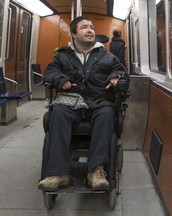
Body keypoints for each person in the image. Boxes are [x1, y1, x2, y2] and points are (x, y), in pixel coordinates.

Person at [38, 16, 129, 191]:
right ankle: (58, 174)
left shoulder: (107, 56)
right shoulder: (63, 55)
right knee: (58, 112)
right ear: (74, 34)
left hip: (99, 101)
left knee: (106, 114)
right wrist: (60, 79)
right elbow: (49, 72)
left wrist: (116, 78)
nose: (90, 30)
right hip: (72, 101)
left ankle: (95, 171)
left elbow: (121, 71)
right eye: (84, 27)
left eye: (91, 27)